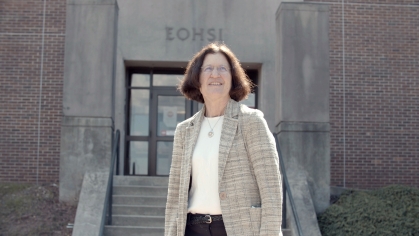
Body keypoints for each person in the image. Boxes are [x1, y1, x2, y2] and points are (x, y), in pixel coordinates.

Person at [164, 42, 283, 236]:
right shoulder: (184, 130)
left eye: (222, 68)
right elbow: (175, 196)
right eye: (208, 68)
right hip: (192, 229)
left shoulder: (251, 122)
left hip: (239, 228)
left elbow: (271, 190)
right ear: (197, 78)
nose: (215, 74)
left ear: (233, 77)